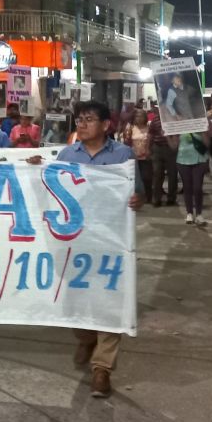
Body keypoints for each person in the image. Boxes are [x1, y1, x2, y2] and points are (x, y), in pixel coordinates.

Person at [47, 101, 144, 398]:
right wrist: (36, 169)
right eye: (79, 119)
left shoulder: (122, 155)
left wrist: (137, 199)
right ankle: (86, 337)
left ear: (106, 125)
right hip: (74, 240)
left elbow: (136, 190)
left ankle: (102, 369)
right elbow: (49, 189)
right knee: (73, 301)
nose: (82, 123)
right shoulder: (66, 154)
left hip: (110, 239)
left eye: (89, 119)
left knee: (110, 301)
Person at [173, 128, 210, 225]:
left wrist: (203, 131)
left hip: (199, 160)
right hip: (182, 160)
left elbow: (207, 144)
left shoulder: (200, 124)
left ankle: (199, 214)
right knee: (187, 187)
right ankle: (189, 213)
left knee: (197, 187)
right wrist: (168, 136)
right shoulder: (180, 126)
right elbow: (174, 146)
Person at [148, 109, 178, 207]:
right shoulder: (155, 119)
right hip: (157, 148)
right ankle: (157, 198)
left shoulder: (174, 119)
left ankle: (171, 198)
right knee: (157, 174)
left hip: (171, 149)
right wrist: (148, 148)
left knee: (172, 174)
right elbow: (150, 134)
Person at [121, 109, 153, 198]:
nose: (138, 118)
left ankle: (148, 195)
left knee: (146, 177)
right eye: (137, 116)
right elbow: (126, 141)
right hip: (134, 156)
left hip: (146, 156)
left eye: (141, 116)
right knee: (134, 177)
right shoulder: (131, 127)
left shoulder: (149, 127)